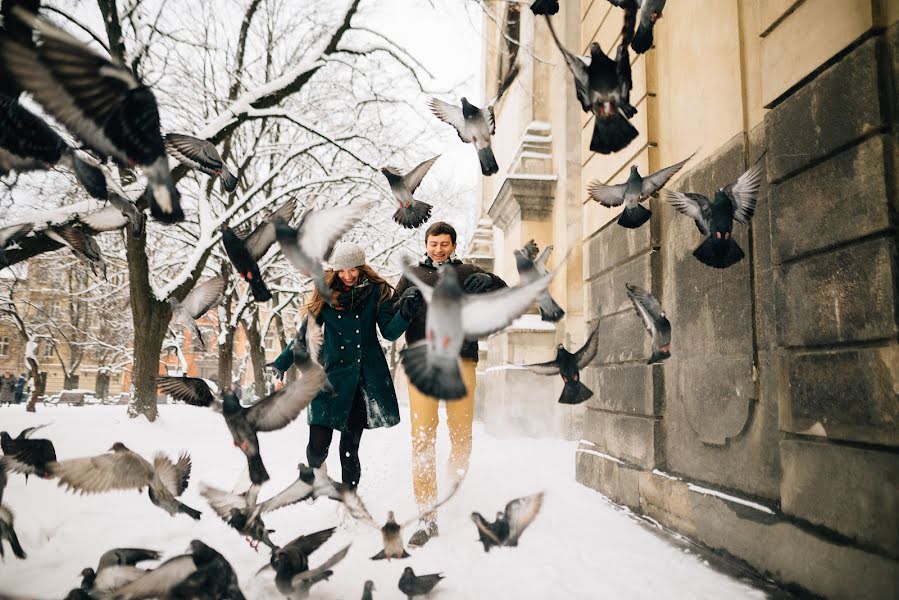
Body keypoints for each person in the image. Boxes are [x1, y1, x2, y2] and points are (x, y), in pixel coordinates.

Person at [393, 221, 507, 547]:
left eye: (444, 243)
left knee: (461, 435)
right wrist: (403, 305)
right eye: (433, 243)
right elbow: (390, 315)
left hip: (461, 360)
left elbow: (505, 295)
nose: (439, 249)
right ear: (425, 245)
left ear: (454, 246)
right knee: (422, 438)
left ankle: (453, 486)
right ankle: (427, 515)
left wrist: (491, 281)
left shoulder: (467, 271)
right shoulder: (412, 275)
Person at [271, 242, 419, 489]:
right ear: (335, 271)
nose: (348, 276)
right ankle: (318, 469)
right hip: (330, 378)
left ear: (362, 268)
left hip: (361, 380)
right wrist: (282, 362)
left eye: (353, 270)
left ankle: (350, 500)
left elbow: (390, 332)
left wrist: (404, 313)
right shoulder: (325, 293)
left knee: (349, 449)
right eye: (342, 271)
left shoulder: (377, 291)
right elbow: (305, 334)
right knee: (317, 448)